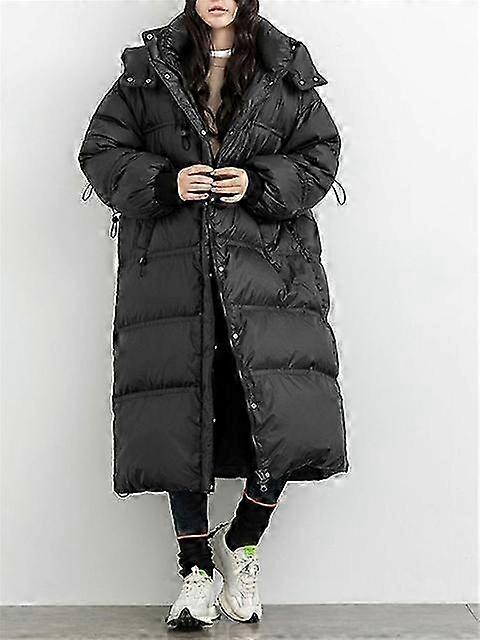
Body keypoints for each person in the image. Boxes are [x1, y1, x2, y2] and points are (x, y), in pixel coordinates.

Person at [78, 0, 348, 630]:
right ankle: (196, 571)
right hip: (174, 274)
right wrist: (165, 182)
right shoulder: (150, 68)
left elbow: (321, 156)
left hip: (269, 271)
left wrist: (257, 184)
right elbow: (100, 151)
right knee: (181, 408)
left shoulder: (285, 67)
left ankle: (243, 538)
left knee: (287, 412)